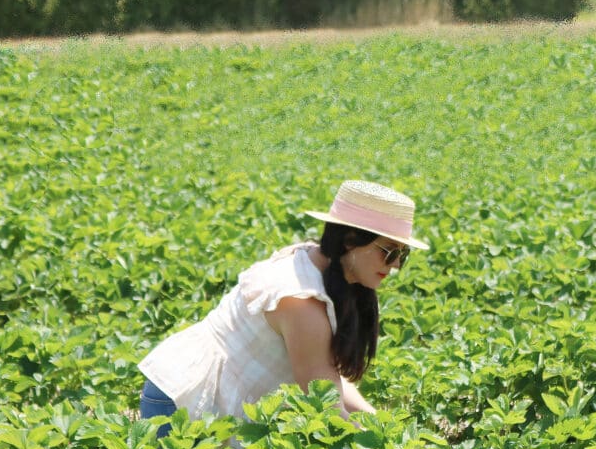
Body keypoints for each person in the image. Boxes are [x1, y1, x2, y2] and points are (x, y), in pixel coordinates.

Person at [138, 180, 429, 434]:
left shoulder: (326, 268)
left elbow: (328, 373)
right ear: (351, 240)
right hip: (184, 400)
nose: (395, 266)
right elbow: (325, 406)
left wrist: (375, 420)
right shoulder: (301, 303)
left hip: (224, 404)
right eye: (389, 252)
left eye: (404, 254)